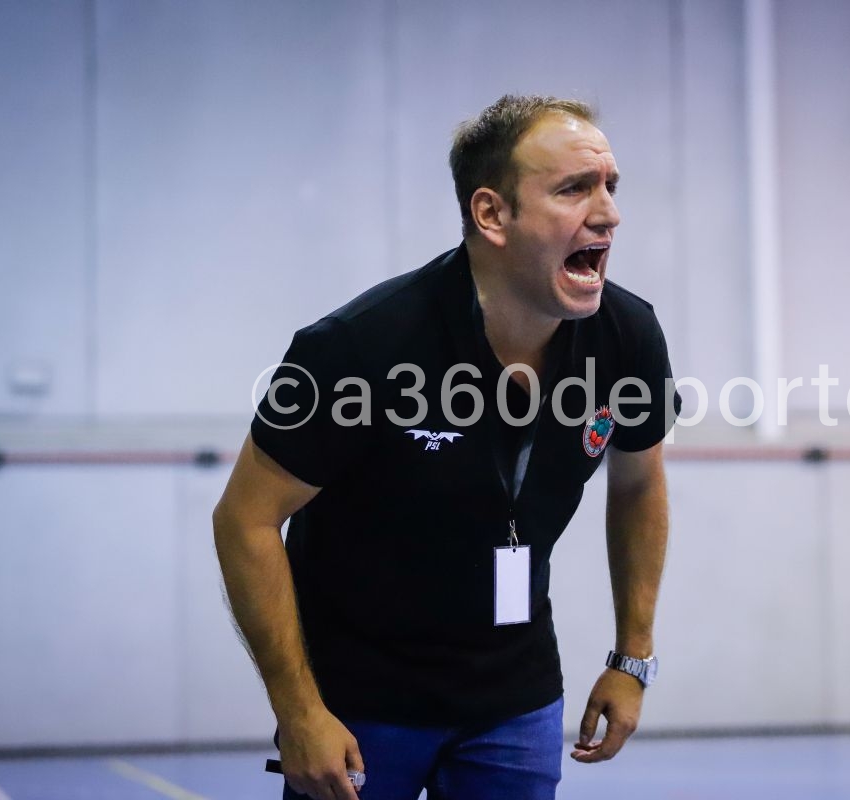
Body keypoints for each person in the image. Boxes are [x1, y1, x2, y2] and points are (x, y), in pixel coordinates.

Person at [213, 94, 678, 800]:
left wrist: (632, 657)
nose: (608, 212)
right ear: (492, 215)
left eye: (611, 186)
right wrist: (298, 710)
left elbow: (640, 484)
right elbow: (244, 519)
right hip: (360, 706)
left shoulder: (628, 336)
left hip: (515, 699)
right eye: (574, 188)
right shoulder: (357, 349)